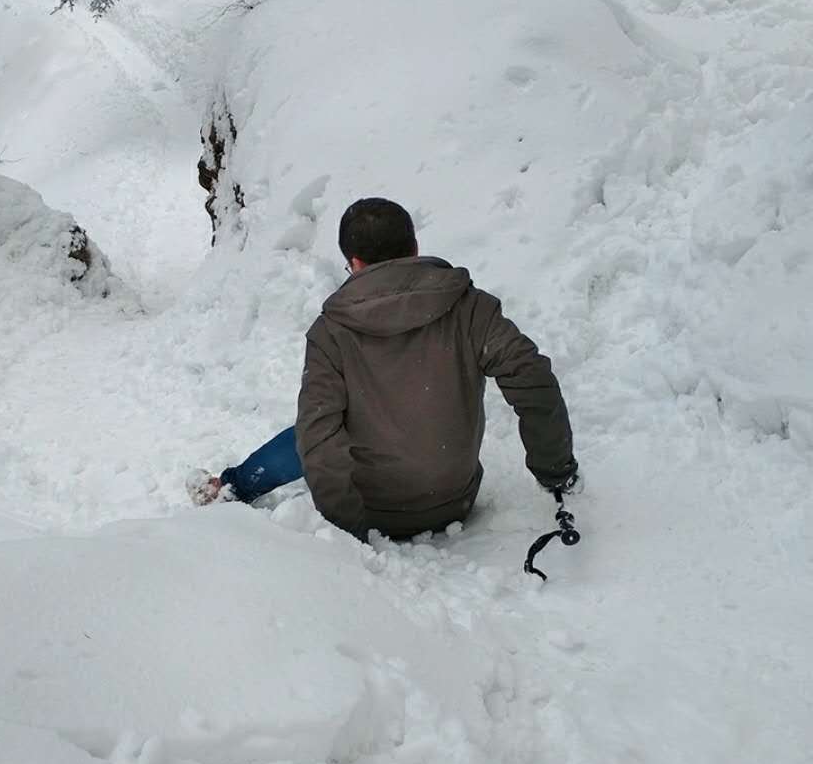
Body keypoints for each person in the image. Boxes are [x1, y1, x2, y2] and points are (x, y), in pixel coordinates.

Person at [191, 197, 578, 540]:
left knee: (308, 431)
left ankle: (233, 486)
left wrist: (350, 528)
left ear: (354, 263)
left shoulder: (332, 332)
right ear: (414, 247)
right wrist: (556, 471)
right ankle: (233, 485)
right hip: (454, 501)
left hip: (373, 511)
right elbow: (533, 379)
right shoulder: (472, 309)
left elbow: (318, 436)